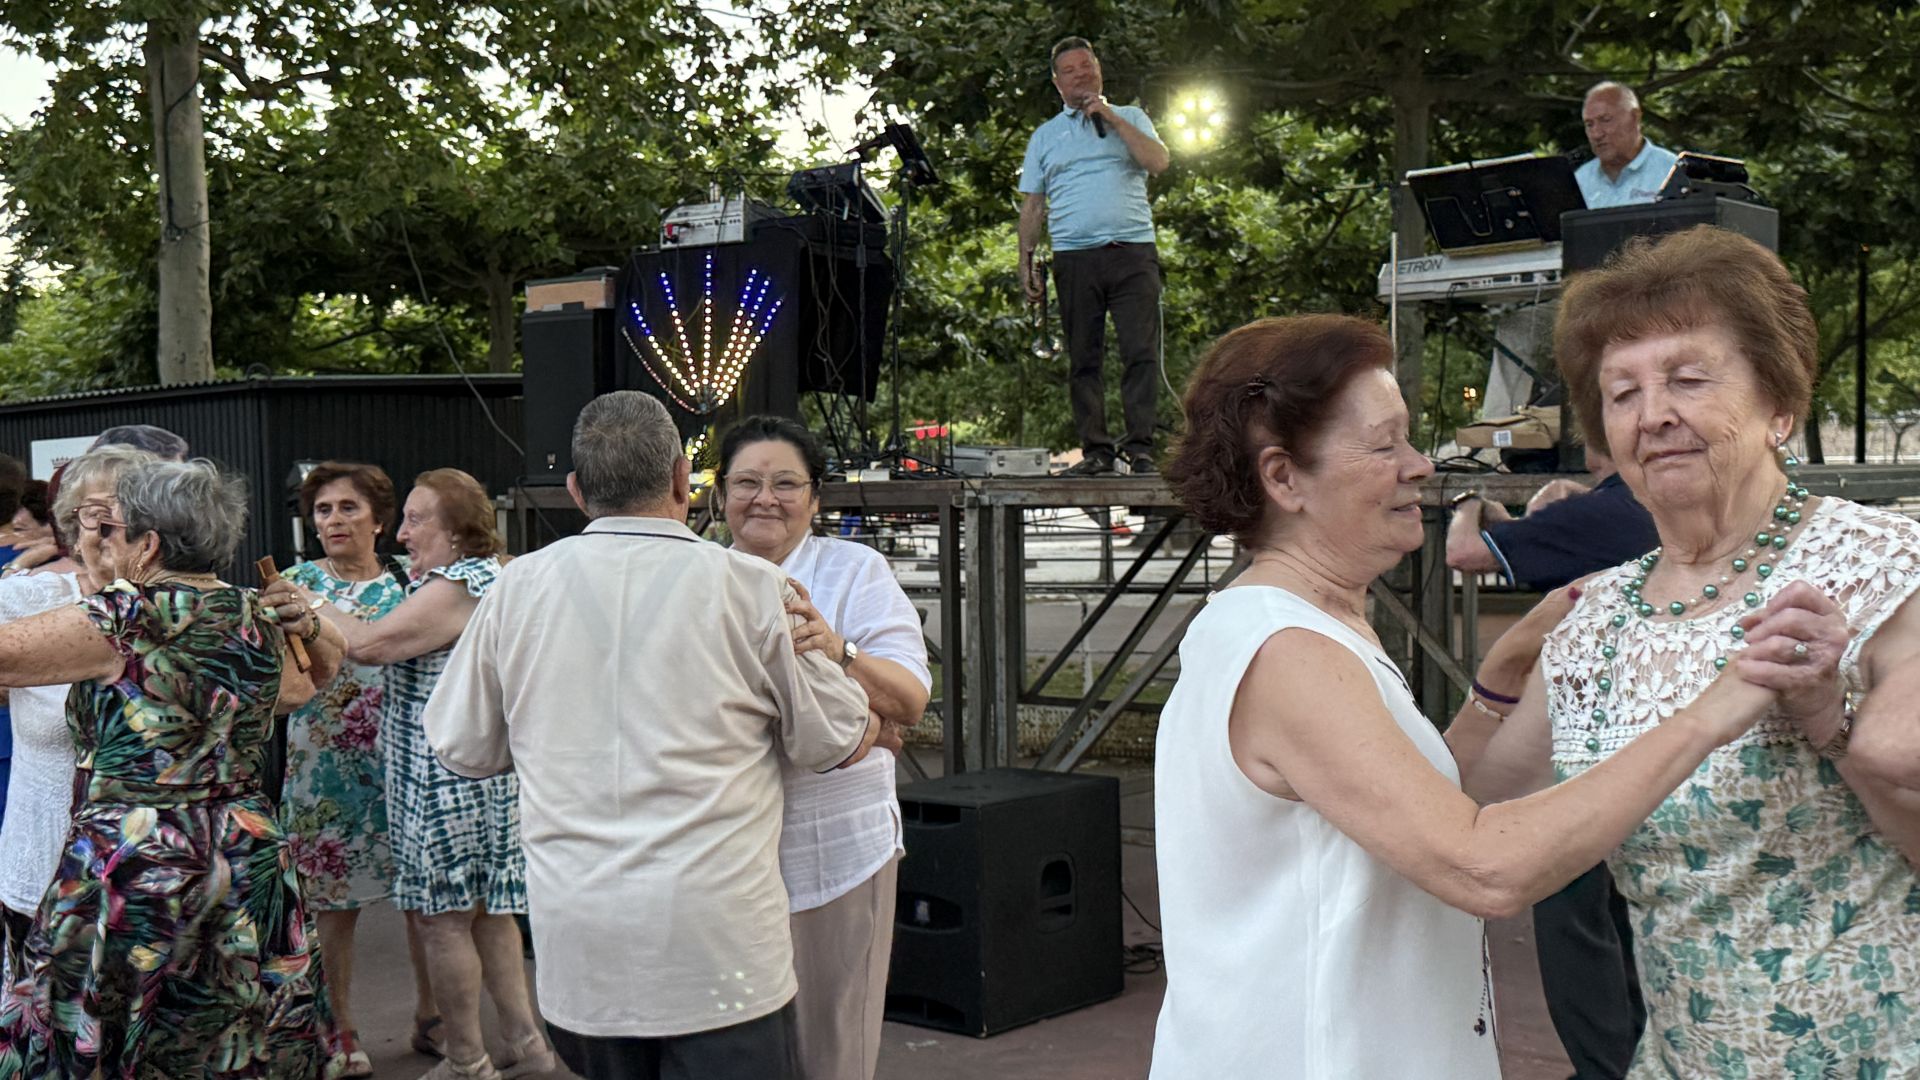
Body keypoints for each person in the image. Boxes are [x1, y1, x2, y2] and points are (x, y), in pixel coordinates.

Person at [1148, 314, 1785, 1078]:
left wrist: (1503, 679)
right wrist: (1713, 712)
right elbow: (1481, 866)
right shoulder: (1288, 651)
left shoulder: (1311, 624)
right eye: (1384, 445)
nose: (1418, 466)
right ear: (1284, 478)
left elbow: (1417, 812)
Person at [1471, 226, 1920, 1077]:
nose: (1655, 414)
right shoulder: (1595, 617)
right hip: (1683, 1058)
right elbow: (1482, 823)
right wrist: (1498, 675)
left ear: (1779, 406)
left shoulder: (1880, 565)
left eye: (1689, 378)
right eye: (1623, 392)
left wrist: (1830, 719)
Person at [423, 391, 877, 1080]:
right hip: (723, 958)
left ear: (576, 491)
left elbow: (461, 746)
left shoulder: (517, 591)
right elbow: (835, 739)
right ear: (680, 478)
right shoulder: (754, 587)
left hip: (583, 956)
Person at [0, 458, 344, 1076]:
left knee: (123, 1031)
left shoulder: (124, 618)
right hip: (246, 850)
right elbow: (303, 686)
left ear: (148, 542)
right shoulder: (257, 616)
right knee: (230, 1035)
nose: (107, 540)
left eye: (117, 529)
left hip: (141, 857)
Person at [292, 467, 549, 1080]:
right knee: (488, 913)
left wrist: (312, 603)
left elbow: (372, 645)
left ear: (457, 529)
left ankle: (466, 1058)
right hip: (478, 774)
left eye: (415, 518)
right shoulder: (492, 575)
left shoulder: (459, 583)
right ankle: (523, 1042)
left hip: (442, 779)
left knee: (443, 921)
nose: (402, 533)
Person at [718, 416, 931, 1080]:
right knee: (739, 1051)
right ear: (717, 493)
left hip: (831, 849)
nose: (765, 498)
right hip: (721, 857)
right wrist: (865, 730)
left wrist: (838, 650)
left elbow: (911, 700)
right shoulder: (698, 573)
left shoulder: (854, 571)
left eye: (787, 483)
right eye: (747, 482)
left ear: (815, 499)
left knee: (833, 1048)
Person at [1446, 443, 1661, 1079]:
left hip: (1577, 753)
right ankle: (1626, 1056)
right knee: (1622, 921)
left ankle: (1603, 1065)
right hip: (1647, 754)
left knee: (1571, 917)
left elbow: (1465, 552)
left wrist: (1468, 504)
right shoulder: (1624, 512)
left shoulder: (1600, 516)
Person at [282, 461, 431, 1078]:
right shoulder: (291, 585)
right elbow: (281, 680)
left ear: (380, 519)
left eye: (348, 508)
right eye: (323, 510)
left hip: (402, 761)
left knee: (422, 901)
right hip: (324, 768)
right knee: (331, 907)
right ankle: (340, 1027)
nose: (334, 520)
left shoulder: (410, 581)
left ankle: (434, 1016)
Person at [0, 446, 149, 981]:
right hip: (42, 866)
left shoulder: (182, 609)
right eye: (94, 513)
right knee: (47, 1041)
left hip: (153, 875)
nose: (110, 526)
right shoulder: (24, 599)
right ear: (69, 524)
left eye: (126, 511)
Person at [1018, 35, 1171, 477]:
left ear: (1099, 71)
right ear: (1057, 82)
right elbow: (1033, 205)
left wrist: (1110, 116)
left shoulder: (1131, 116)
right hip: (1074, 258)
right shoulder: (1045, 137)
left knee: (1140, 352)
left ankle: (1141, 449)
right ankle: (1097, 452)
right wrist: (1025, 261)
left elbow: (1158, 161)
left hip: (1132, 252)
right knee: (1084, 357)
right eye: (1071, 70)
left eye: (1087, 66)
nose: (1081, 74)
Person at [1575, 82, 1678, 209]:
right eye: (1589, 124)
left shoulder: (1670, 171)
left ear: (1634, 117)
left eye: (1606, 120)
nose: (1596, 134)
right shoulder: (1580, 180)